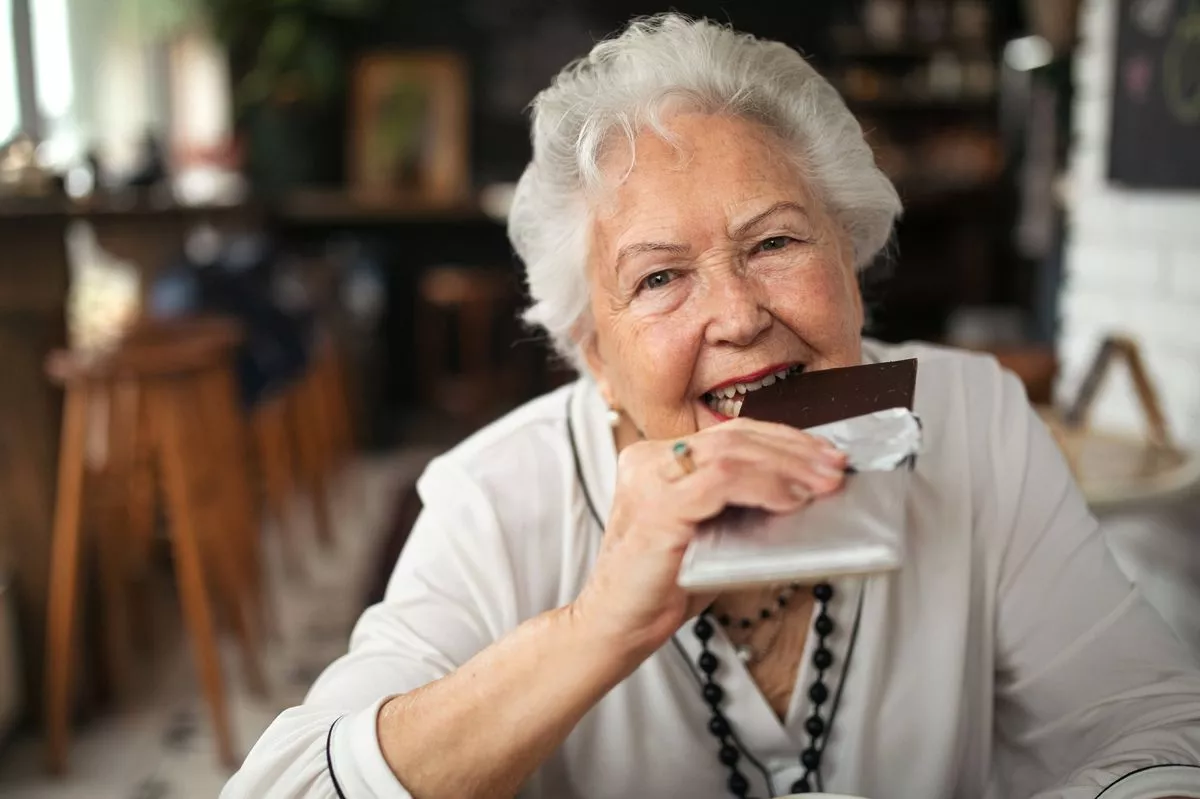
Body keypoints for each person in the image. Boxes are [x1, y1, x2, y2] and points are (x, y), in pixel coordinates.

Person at [223, 14, 1200, 799]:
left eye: (776, 243)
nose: (738, 314)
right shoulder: (493, 499)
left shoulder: (973, 418)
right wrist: (600, 625)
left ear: (852, 266)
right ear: (594, 356)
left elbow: (1156, 728)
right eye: (658, 279)